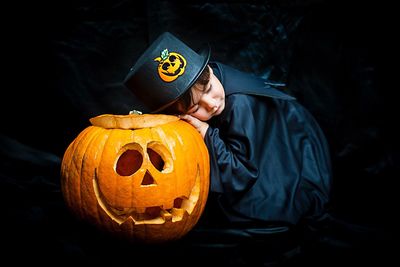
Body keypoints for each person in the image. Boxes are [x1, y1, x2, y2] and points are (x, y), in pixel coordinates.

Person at [123, 32, 332, 260]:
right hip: (260, 141)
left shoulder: (239, 105)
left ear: (210, 70)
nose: (212, 104)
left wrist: (206, 132)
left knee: (263, 213)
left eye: (210, 88)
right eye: (196, 109)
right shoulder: (207, 88)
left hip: (291, 148)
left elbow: (242, 172)